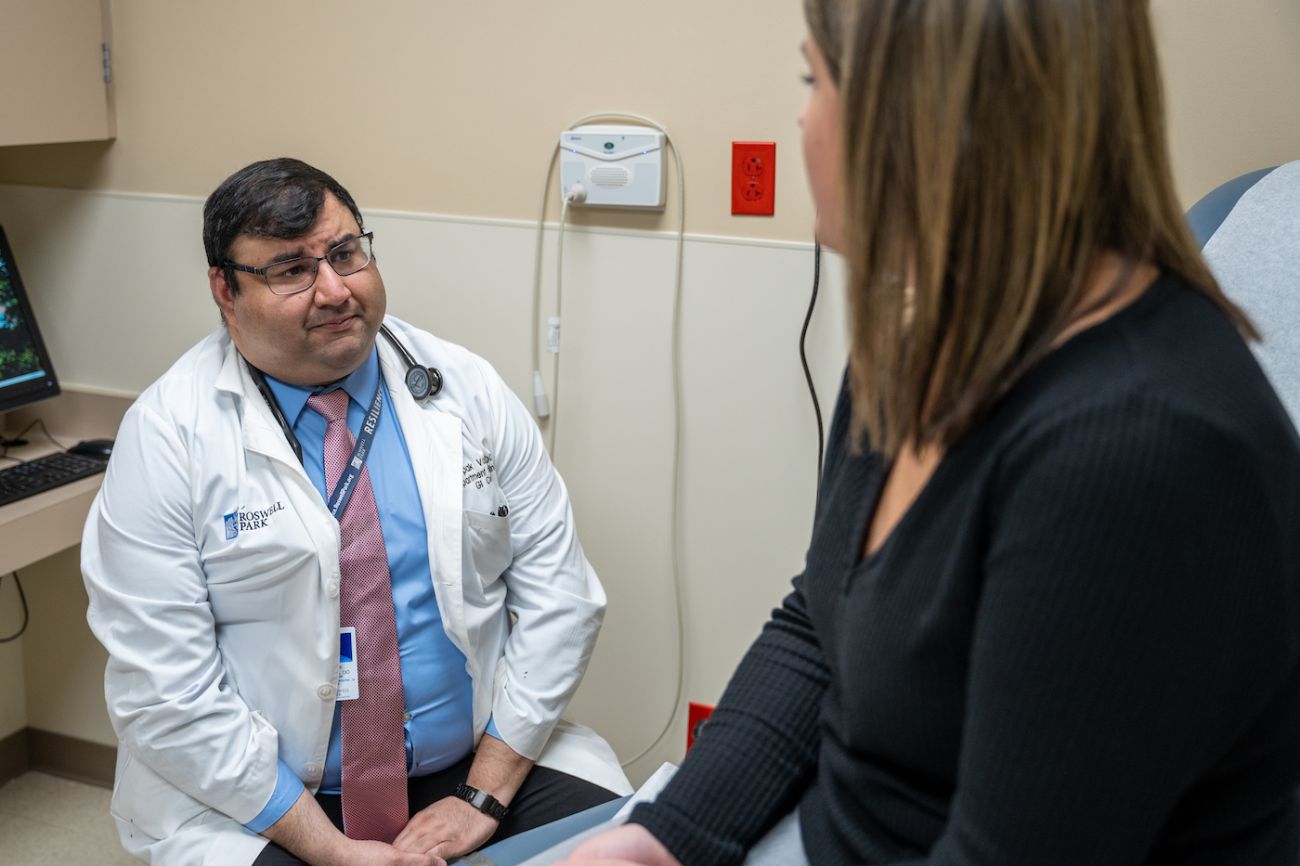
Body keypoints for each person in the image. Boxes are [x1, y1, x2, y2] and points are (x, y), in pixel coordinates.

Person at [563, 1, 1300, 864]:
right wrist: (665, 837)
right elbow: (820, 626)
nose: (801, 116)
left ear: (916, 115)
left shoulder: (1136, 454)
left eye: (815, 80)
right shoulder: (926, 340)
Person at [82, 158, 631, 866]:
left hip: (478, 764)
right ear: (225, 288)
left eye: (346, 253)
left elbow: (562, 599)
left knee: (626, 849)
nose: (335, 290)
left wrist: (483, 796)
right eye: (290, 270)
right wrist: (332, 850)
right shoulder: (168, 436)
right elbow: (165, 689)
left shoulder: (463, 389)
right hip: (264, 799)